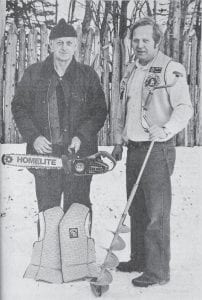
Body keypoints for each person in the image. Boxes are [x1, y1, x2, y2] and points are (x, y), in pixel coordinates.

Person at [12, 19, 107, 283]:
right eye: (59, 43)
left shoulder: (87, 75)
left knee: (77, 207)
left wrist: (81, 136)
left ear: (76, 45)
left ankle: (78, 265)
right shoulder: (34, 74)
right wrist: (35, 136)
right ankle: (49, 267)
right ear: (50, 45)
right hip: (45, 156)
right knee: (49, 209)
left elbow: (99, 111)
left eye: (69, 43)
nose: (64, 48)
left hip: (79, 156)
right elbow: (19, 107)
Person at [112, 17, 193, 287]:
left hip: (157, 150)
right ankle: (139, 259)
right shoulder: (131, 70)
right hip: (135, 148)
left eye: (146, 40)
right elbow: (129, 109)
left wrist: (167, 128)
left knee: (157, 212)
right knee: (136, 208)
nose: (139, 45)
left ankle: (158, 271)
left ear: (156, 42)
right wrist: (120, 139)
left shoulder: (171, 68)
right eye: (135, 40)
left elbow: (184, 108)